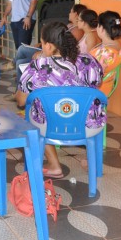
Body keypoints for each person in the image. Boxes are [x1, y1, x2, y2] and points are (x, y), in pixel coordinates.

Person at [16, 22, 104, 179]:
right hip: (88, 125)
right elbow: (97, 83)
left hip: (51, 126)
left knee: (33, 112)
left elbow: (21, 101)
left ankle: (55, 166)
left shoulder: (38, 66)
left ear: (49, 46)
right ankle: (95, 167)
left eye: (42, 44)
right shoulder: (88, 60)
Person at [90, 11, 121, 97]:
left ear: (101, 28)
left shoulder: (103, 53)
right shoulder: (120, 45)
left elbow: (89, 74)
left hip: (96, 90)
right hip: (107, 86)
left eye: (97, 26)